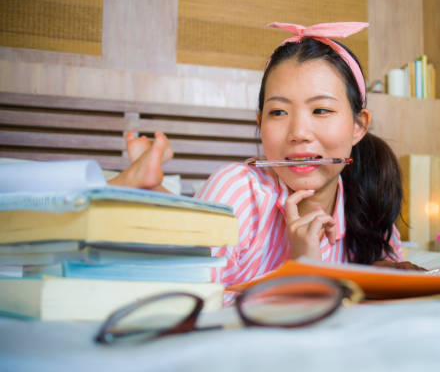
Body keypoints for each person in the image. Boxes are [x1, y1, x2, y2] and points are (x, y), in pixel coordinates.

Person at [111, 22, 421, 293]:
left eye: (321, 110)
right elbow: (183, 303)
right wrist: (304, 272)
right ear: (261, 124)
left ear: (358, 126)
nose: (298, 132)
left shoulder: (371, 206)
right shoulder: (238, 189)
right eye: (278, 112)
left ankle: (148, 184)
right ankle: (133, 185)